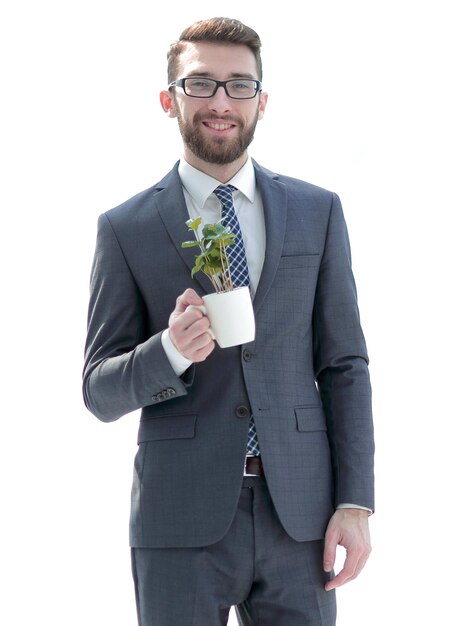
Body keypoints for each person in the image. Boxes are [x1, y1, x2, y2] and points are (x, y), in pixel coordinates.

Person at [83, 16, 375, 626]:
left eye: (239, 85)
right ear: (170, 99)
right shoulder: (125, 228)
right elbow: (99, 390)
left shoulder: (317, 212)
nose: (221, 101)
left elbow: (344, 365)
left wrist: (355, 502)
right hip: (178, 521)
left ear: (262, 101)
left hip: (300, 516)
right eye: (201, 84)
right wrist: (169, 351)